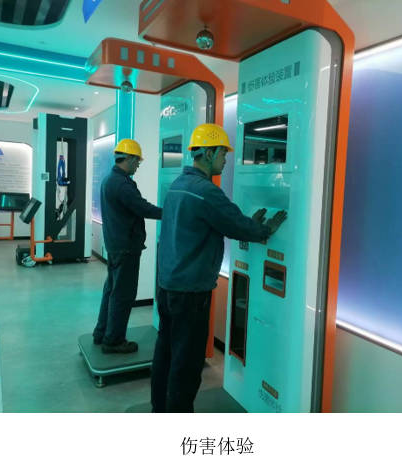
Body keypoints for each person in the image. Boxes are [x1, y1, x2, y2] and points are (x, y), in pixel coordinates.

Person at [151, 123, 287, 412]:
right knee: (187, 364)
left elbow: (223, 221)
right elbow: (234, 224)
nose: (226, 161)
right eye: (223, 153)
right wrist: (263, 229)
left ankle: (159, 410)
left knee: (166, 351)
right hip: (191, 292)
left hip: (168, 285)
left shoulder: (178, 185)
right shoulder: (205, 191)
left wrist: (247, 222)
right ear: (209, 152)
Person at [93, 139, 162, 354]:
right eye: (138, 161)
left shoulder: (109, 179)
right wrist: (170, 212)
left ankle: (101, 333)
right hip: (126, 247)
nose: (138, 165)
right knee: (123, 295)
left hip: (115, 244)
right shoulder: (122, 184)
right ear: (129, 158)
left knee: (111, 291)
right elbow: (142, 208)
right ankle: (114, 341)